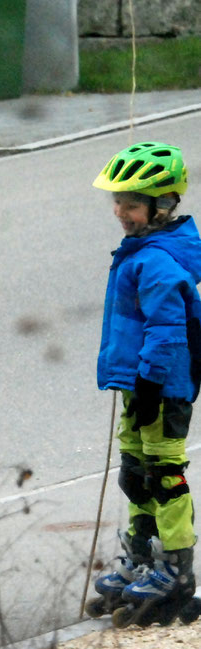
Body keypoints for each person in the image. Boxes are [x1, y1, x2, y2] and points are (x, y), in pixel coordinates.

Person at [91, 141, 201, 616]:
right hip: (140, 385)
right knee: (135, 473)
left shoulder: (156, 261)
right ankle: (142, 556)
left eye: (131, 204)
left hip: (162, 387)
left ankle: (176, 567)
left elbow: (166, 330)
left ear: (163, 204)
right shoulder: (139, 250)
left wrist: (152, 385)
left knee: (163, 475)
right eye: (117, 201)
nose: (120, 211)